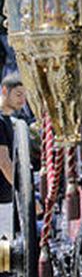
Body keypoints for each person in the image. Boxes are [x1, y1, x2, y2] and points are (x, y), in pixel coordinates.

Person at [0, 73, 27, 239]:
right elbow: (3, 162)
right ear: (4, 90)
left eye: (25, 95)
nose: (22, 100)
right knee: (4, 250)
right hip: (2, 200)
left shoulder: (9, 121)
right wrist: (24, 193)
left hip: (7, 198)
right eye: (18, 94)